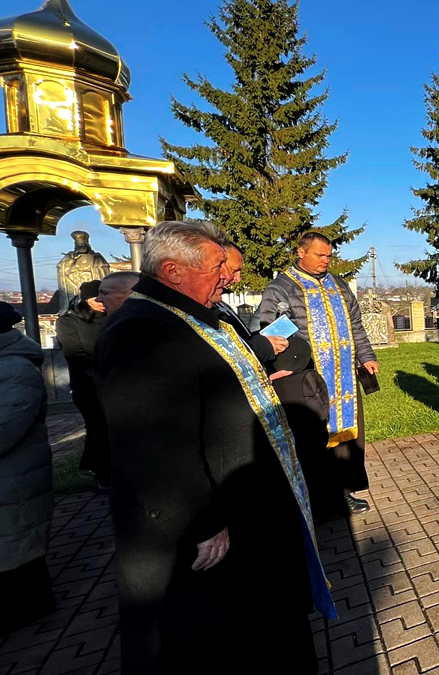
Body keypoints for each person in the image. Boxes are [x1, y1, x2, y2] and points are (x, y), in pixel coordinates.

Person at [94, 221, 332, 674]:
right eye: (218, 265)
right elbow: (150, 442)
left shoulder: (199, 316)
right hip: (204, 521)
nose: (229, 275)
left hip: (245, 501)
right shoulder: (141, 331)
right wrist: (202, 520)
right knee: (213, 638)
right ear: (173, 270)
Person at [257, 231, 379, 515]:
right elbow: (267, 331)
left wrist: (366, 356)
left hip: (344, 376)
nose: (326, 260)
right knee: (312, 439)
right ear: (301, 252)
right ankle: (316, 501)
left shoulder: (339, 285)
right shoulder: (281, 288)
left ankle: (344, 492)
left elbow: (356, 325)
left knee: (346, 438)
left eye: (329, 256)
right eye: (319, 255)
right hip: (307, 379)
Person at [0, 302, 55, 635]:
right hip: (11, 482)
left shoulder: (14, 369)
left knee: (18, 551)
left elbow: (5, 429)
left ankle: (29, 612)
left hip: (15, 481)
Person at [56, 280, 111, 491]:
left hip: (115, 383)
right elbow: (74, 354)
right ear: (85, 299)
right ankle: (101, 472)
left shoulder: (114, 317)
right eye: (96, 298)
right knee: (98, 427)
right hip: (87, 385)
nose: (101, 302)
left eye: (104, 296)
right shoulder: (69, 321)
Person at [215, 244, 288, 366]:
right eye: (234, 270)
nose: (238, 278)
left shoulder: (220, 304)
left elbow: (243, 338)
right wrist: (264, 345)